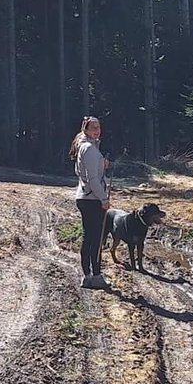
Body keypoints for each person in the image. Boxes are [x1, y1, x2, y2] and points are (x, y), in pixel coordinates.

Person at [70, 115, 109, 289]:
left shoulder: (84, 147)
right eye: (93, 128)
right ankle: (96, 275)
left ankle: (87, 275)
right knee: (96, 238)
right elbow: (93, 179)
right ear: (85, 130)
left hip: (83, 197)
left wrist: (102, 165)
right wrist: (104, 198)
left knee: (88, 237)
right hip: (92, 199)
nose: (97, 131)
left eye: (98, 127)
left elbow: (84, 172)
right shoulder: (90, 149)